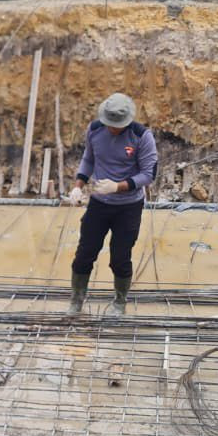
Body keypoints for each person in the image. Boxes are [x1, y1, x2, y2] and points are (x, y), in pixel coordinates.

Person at [66, 92, 158, 317]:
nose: (112, 129)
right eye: (109, 124)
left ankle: (120, 301)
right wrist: (78, 185)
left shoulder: (141, 136)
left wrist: (118, 186)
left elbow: (148, 174)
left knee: (120, 256)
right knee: (85, 253)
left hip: (128, 207)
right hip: (99, 204)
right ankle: (77, 299)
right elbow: (89, 158)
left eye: (116, 125)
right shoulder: (95, 130)